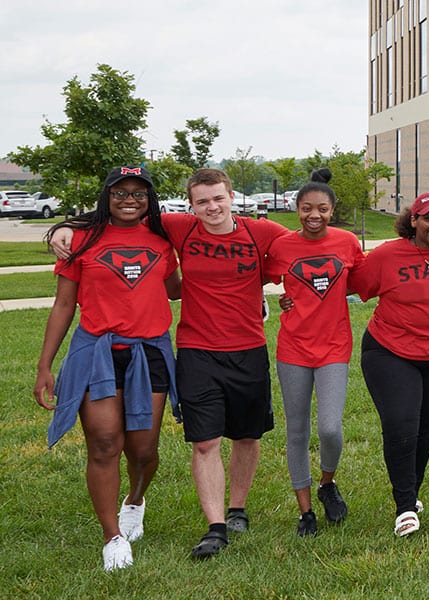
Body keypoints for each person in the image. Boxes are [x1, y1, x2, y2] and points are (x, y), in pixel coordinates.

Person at [55, 168, 292, 558]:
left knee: (247, 436)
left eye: (218, 198)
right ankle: (216, 526)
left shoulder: (262, 233)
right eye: (202, 201)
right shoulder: (179, 227)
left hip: (248, 347)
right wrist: (62, 228)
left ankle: (237, 508)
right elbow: (116, 214)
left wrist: (279, 290)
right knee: (205, 441)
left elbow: (306, 249)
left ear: (232, 196)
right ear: (191, 205)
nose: (211, 207)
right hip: (196, 349)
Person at [35, 166, 180, 571]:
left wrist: (237, 287)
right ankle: (112, 536)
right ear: (107, 196)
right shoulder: (80, 240)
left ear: (149, 199)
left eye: (139, 193)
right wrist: (45, 365)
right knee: (104, 444)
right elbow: (64, 304)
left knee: (144, 449)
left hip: (149, 352)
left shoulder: (162, 240)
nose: (129, 199)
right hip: (96, 351)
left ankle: (134, 500)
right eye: (121, 192)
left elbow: (177, 289)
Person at [350, 192, 429, 536]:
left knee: (425, 428)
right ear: (413, 221)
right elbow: (354, 283)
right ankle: (405, 507)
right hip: (391, 351)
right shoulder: (387, 254)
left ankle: (411, 491)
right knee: (401, 426)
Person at [266, 169, 364, 536]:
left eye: (322, 209)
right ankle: (305, 511)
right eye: (306, 208)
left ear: (332, 209)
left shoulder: (347, 242)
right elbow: (254, 277)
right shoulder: (282, 247)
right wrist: (281, 300)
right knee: (296, 431)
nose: (314, 216)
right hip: (292, 348)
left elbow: (367, 277)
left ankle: (327, 484)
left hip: (334, 347)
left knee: (330, 428)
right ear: (297, 209)